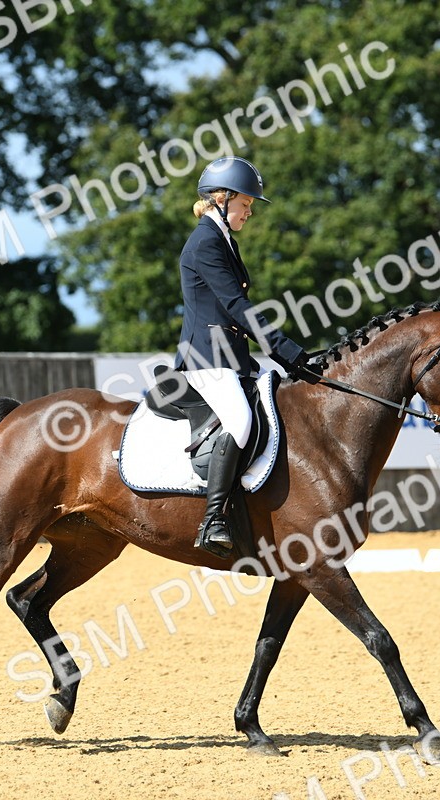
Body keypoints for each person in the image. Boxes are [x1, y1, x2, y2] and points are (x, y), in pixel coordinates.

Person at [173, 156, 321, 558]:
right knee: (239, 421)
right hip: (206, 358)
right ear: (221, 198)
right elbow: (237, 306)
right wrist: (284, 350)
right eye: (246, 203)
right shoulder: (205, 242)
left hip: (231, 357)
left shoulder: (224, 240)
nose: (250, 211)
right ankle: (214, 519)